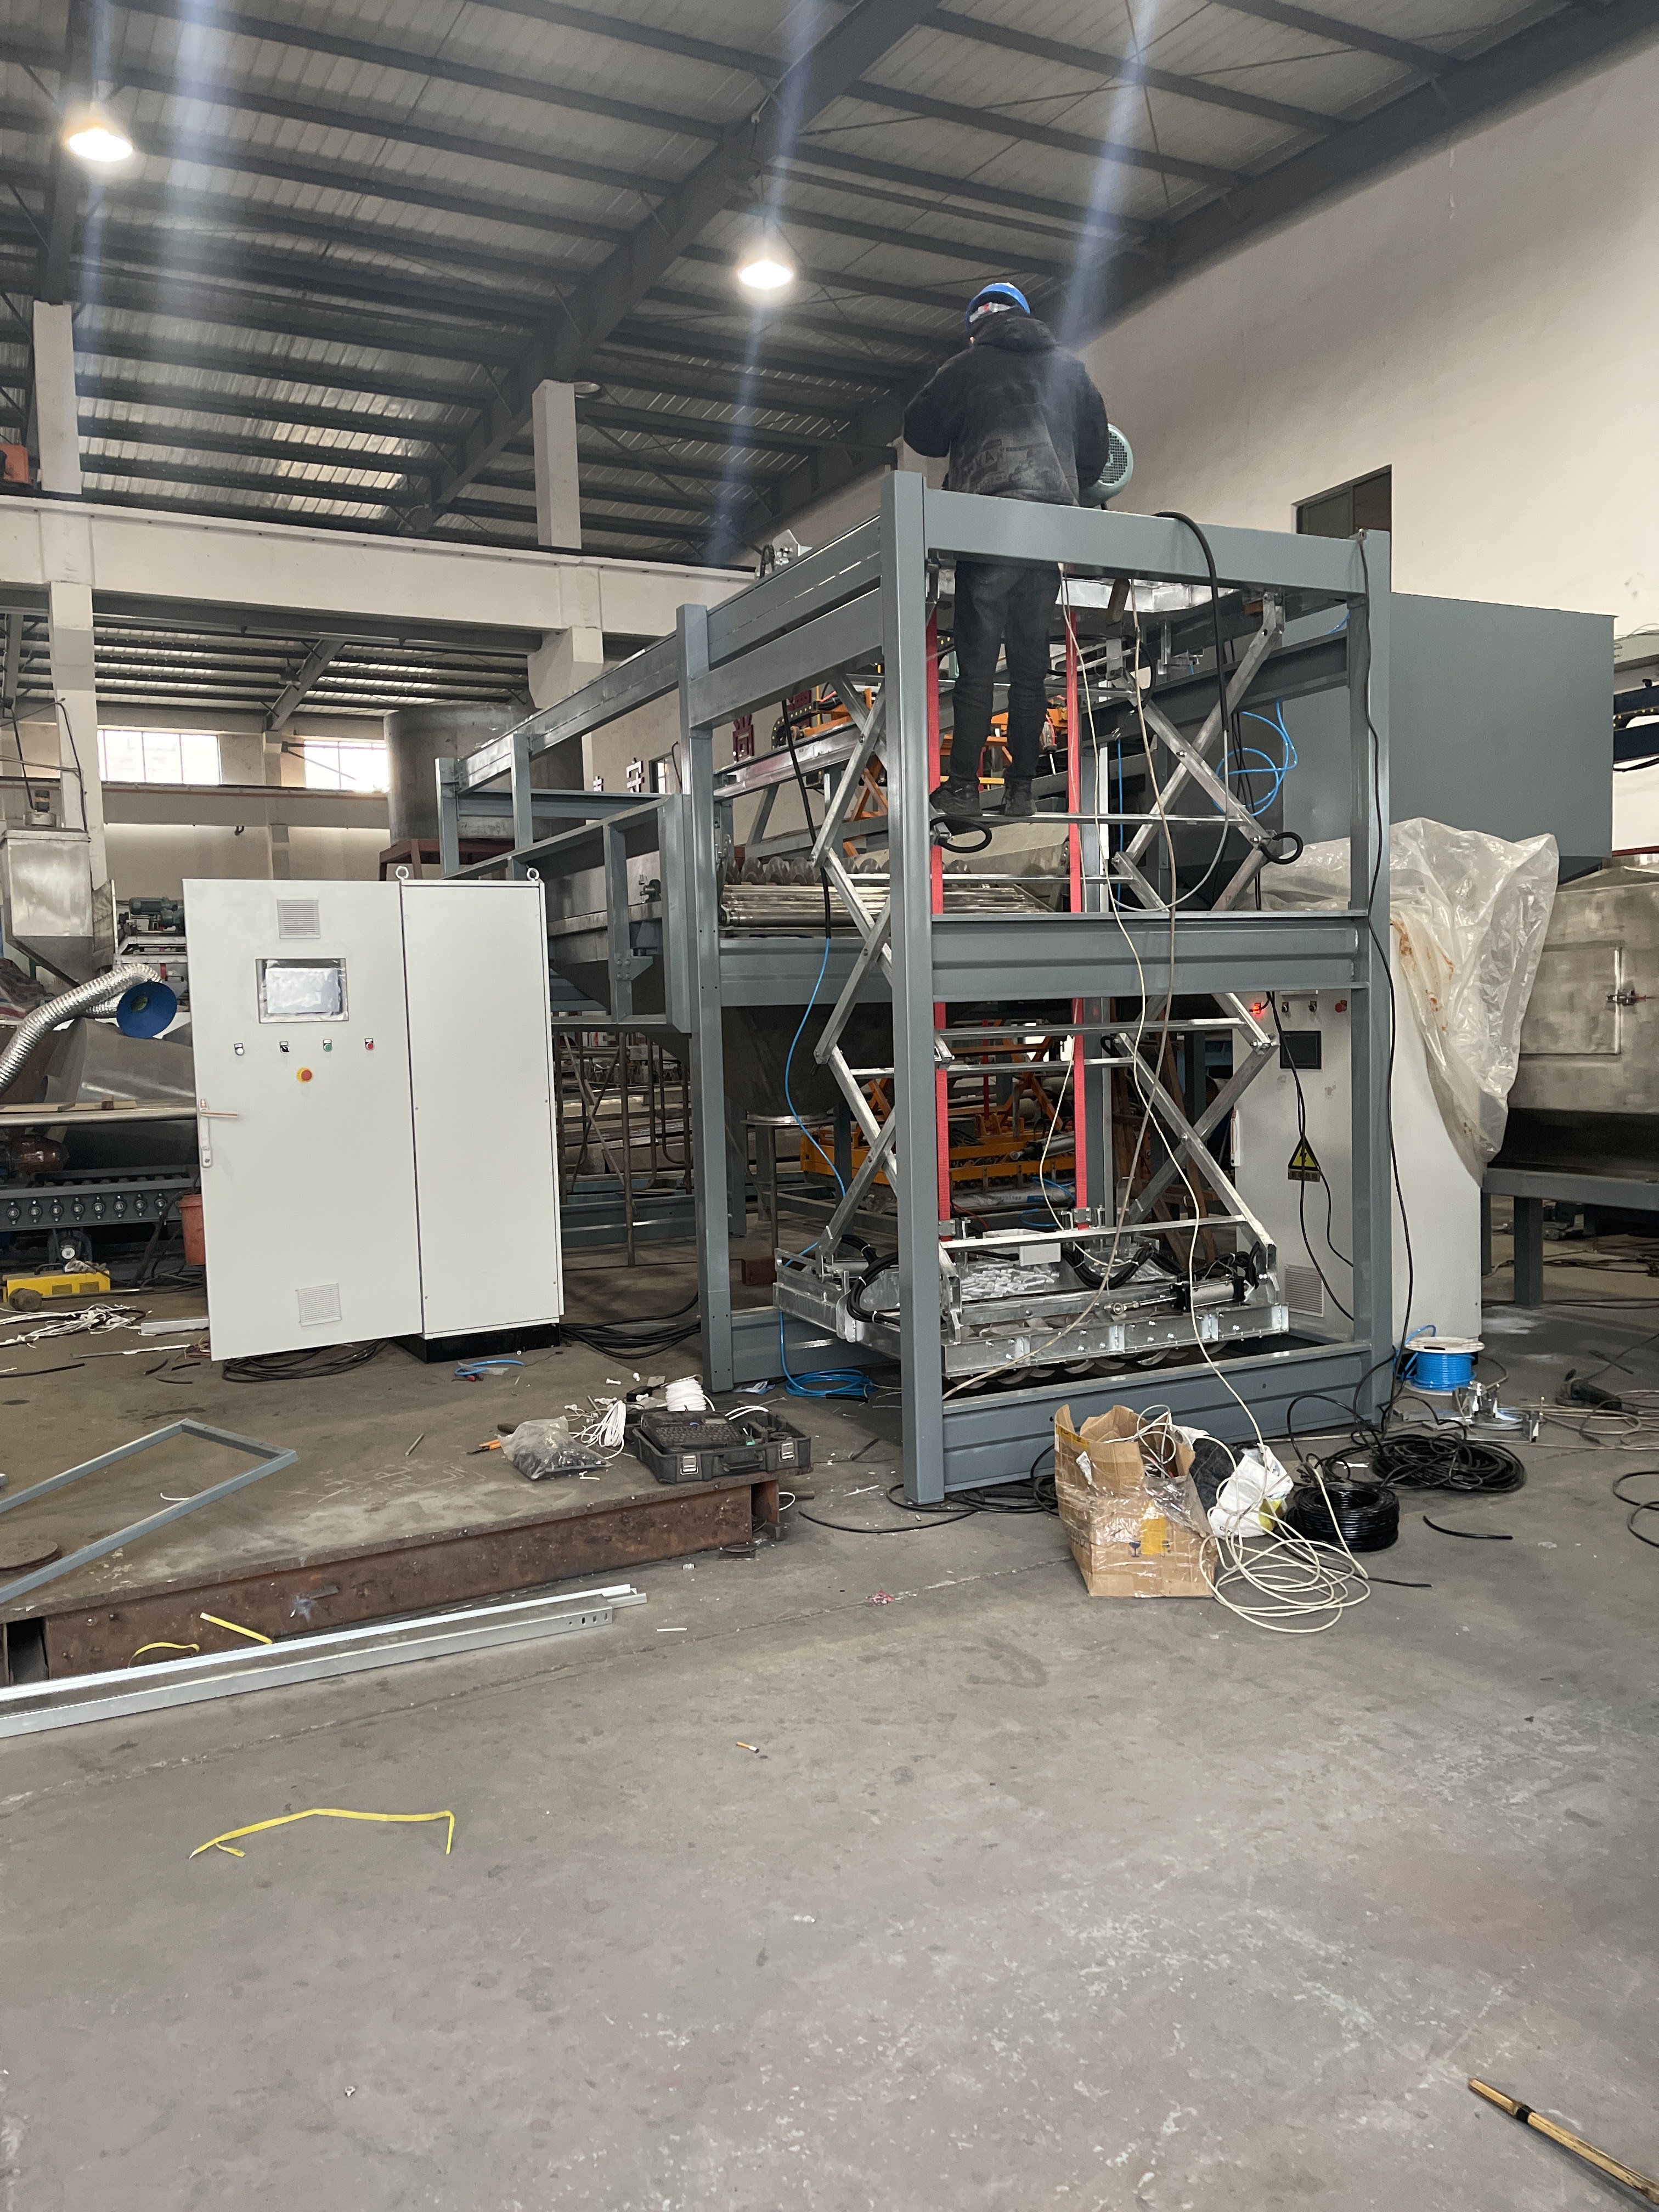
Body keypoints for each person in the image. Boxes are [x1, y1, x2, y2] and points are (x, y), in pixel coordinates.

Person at [902, 283, 1108, 826]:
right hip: (1048, 533)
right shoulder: (1071, 371)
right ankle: (1022, 792)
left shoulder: (965, 368)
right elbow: (1095, 455)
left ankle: (963, 790)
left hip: (988, 527)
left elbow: (920, 432)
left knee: (976, 667)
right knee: (1029, 668)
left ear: (976, 328)